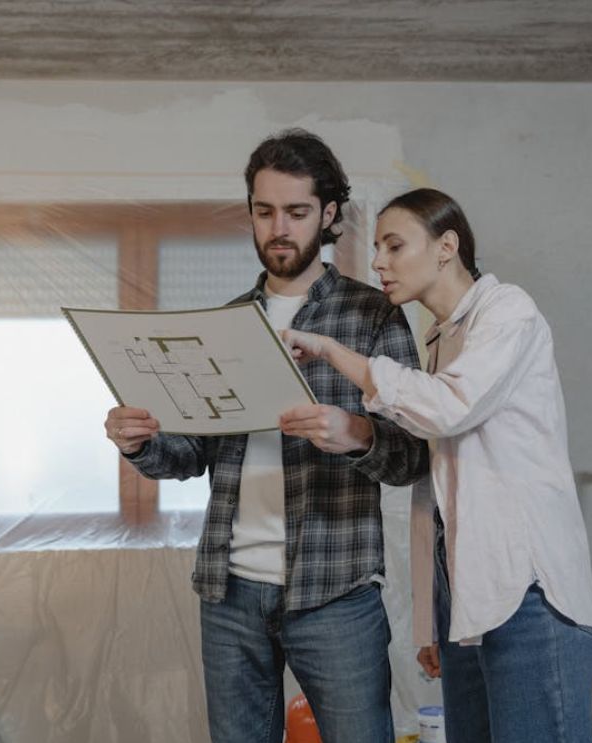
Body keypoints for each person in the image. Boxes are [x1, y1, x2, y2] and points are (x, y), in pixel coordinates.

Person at [104, 129, 428, 743]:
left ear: (329, 215)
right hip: (229, 594)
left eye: (298, 212)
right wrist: (140, 442)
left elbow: (412, 457)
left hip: (337, 590)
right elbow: (193, 454)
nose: (279, 228)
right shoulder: (225, 322)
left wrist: (356, 433)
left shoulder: (374, 315)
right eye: (264, 211)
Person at [281, 188, 592, 743]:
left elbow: (448, 409)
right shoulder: (441, 339)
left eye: (394, 245)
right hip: (470, 598)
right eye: (377, 247)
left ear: (446, 246)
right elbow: (437, 494)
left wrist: (334, 352)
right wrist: (436, 621)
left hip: (529, 593)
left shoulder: (508, 312)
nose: (379, 261)